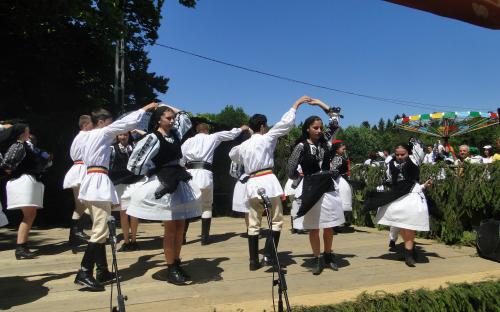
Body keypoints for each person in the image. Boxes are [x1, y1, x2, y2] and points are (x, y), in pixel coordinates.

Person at [74, 102, 158, 291]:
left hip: (90, 180)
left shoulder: (84, 136)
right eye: (110, 122)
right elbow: (125, 124)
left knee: (99, 227)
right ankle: (84, 272)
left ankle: (102, 270)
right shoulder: (102, 132)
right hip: (97, 181)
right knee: (100, 230)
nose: (112, 126)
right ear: (102, 122)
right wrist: (144, 109)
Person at [229, 96, 311, 271]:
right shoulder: (267, 138)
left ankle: (253, 261)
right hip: (268, 181)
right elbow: (285, 124)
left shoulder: (243, 146)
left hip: (251, 183)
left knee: (253, 221)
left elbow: (233, 155)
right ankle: (269, 256)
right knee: (276, 221)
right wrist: (296, 105)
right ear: (262, 126)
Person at [126, 104, 199, 285]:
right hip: (165, 182)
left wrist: (167, 105)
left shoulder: (175, 134)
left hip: (179, 179)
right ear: (159, 119)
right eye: (168, 117)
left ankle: (177, 261)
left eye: (172, 117)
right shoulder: (153, 137)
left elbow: (185, 117)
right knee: (170, 227)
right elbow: (134, 162)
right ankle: (170, 267)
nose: (172, 120)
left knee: (181, 225)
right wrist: (150, 170)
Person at [287, 100, 345, 275]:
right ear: (307, 129)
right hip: (311, 187)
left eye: (320, 128)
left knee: (329, 225)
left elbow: (334, 121)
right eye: (315, 128)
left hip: (327, 187)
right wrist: (299, 177)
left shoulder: (326, 141)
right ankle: (317, 258)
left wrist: (320, 104)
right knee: (313, 227)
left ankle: (328, 255)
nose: (319, 131)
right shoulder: (301, 146)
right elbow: (290, 170)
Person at [365, 139, 432, 267]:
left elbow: (418, 151)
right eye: (398, 154)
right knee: (400, 223)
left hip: (412, 196)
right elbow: (391, 180)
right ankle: (410, 248)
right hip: (397, 196)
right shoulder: (391, 164)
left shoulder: (414, 160)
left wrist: (415, 141)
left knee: (409, 226)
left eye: (403, 154)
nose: (400, 157)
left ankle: (409, 254)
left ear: (409, 153)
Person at [181, 122, 247, 245]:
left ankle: (182, 238)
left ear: (197, 130)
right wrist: (242, 128)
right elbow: (230, 134)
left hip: (189, 176)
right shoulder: (212, 137)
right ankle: (205, 238)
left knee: (186, 207)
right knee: (206, 206)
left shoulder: (188, 142)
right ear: (207, 130)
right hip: (205, 175)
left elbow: (180, 159)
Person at [1, 124, 51, 259]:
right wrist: (12, 173)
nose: (29, 133)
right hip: (23, 181)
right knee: (29, 214)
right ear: (22, 133)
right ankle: (21, 248)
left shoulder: (24, 146)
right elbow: (7, 164)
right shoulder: (18, 145)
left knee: (30, 214)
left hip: (26, 180)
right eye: (27, 131)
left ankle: (22, 246)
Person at [109, 131, 144, 252]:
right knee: (123, 213)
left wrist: (136, 130)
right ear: (117, 136)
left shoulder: (134, 146)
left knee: (134, 212)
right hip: (119, 183)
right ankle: (126, 241)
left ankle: (134, 240)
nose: (123, 137)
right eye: (120, 135)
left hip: (134, 182)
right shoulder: (112, 148)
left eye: (126, 135)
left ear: (129, 136)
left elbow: (148, 138)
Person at [63, 115, 93, 250]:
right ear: (86, 124)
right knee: (90, 203)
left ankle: (73, 237)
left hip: (77, 170)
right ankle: (78, 231)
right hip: (83, 171)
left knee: (80, 206)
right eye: (92, 123)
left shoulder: (78, 136)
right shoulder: (86, 135)